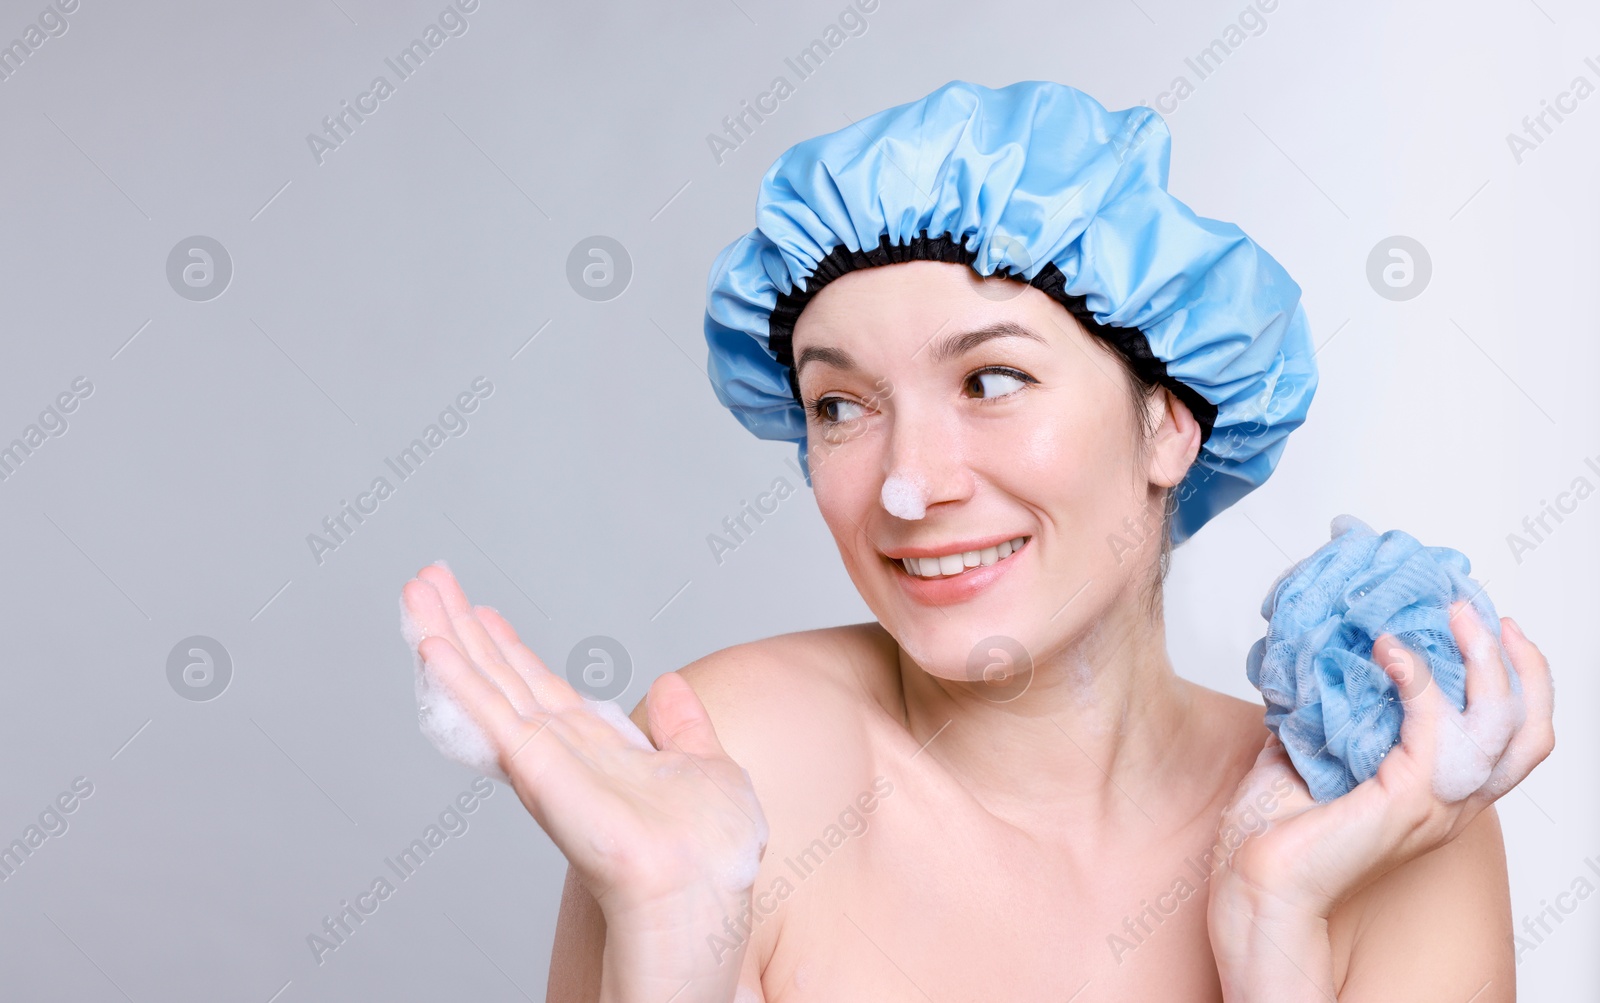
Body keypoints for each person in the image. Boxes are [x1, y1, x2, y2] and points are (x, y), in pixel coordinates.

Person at [401, 81, 1553, 1001]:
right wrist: (669, 938)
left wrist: (1273, 936)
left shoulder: (1375, 821)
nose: (905, 484)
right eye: (839, 405)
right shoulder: (734, 768)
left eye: (989, 378)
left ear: (1167, 423)